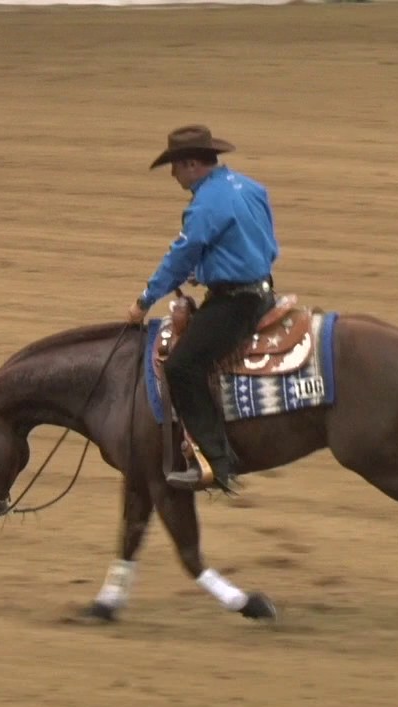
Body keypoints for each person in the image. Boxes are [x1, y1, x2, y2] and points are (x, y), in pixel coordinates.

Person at [125, 125, 280, 494]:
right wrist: (210, 269)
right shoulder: (250, 187)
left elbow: (178, 258)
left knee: (182, 366)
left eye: (175, 167)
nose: (174, 176)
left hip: (234, 303)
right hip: (262, 290)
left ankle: (216, 462)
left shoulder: (205, 204)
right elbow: (259, 242)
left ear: (192, 163)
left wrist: (143, 302)